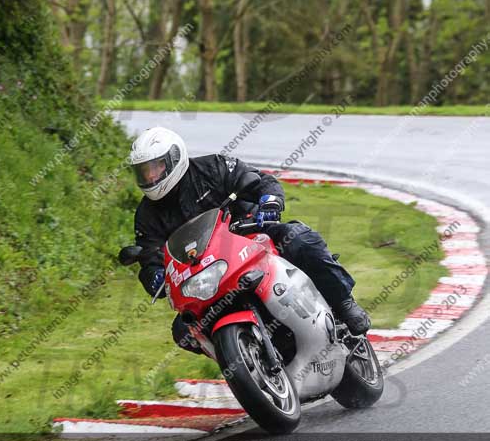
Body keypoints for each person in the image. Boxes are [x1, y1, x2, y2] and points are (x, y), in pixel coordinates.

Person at [130, 126, 371, 354]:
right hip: (203, 276)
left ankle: (343, 303)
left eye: (156, 167)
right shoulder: (146, 214)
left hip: (249, 236)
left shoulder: (212, 167)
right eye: (144, 171)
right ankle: (243, 357)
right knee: (183, 330)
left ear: (174, 158)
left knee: (299, 240)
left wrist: (269, 200)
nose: (151, 176)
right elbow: (149, 253)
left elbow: (259, 180)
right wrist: (154, 275)